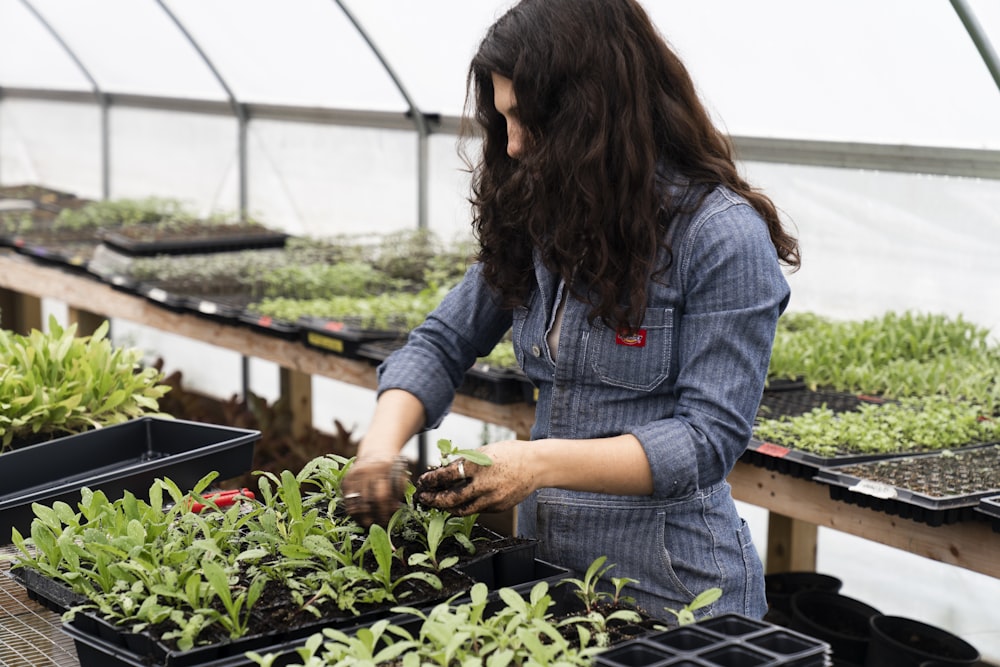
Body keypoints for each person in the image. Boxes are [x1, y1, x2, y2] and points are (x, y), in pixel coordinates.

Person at [341, 0, 800, 620]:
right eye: (503, 119)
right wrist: (377, 451)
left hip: (676, 591)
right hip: (551, 580)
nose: (514, 143)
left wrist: (534, 463)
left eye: (528, 119)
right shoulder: (547, 218)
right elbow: (441, 342)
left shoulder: (719, 237)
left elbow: (706, 439)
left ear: (595, 111)